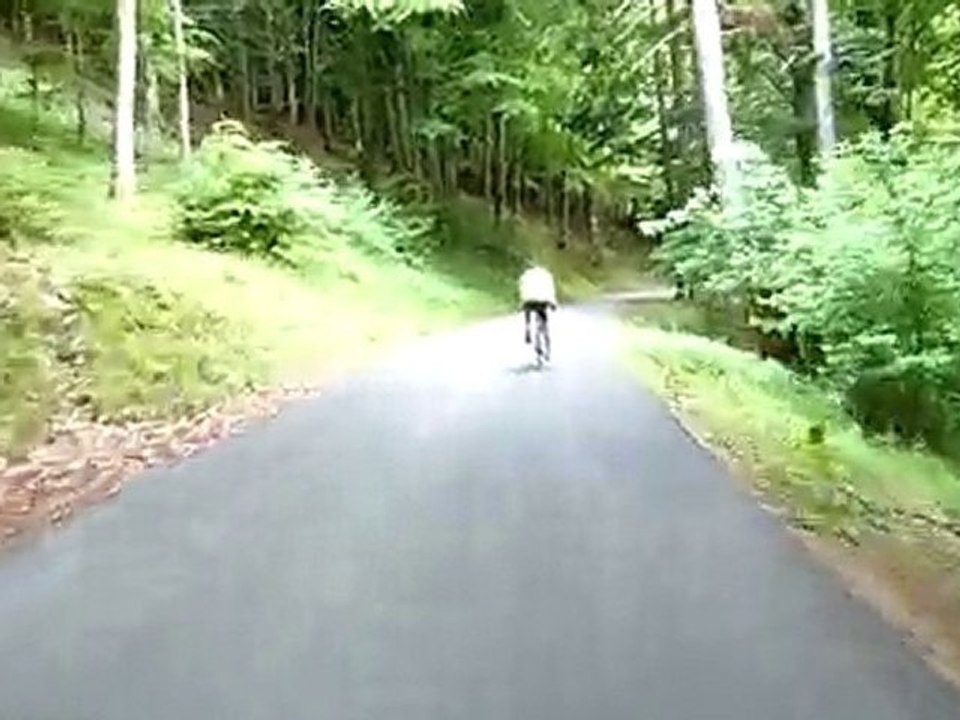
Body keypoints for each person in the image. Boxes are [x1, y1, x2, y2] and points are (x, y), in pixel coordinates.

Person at [518, 265, 557, 355]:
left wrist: (522, 303)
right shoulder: (545, 276)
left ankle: (527, 329)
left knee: (527, 311)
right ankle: (545, 342)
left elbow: (523, 289)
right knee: (544, 322)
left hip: (529, 301)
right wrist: (553, 304)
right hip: (542, 302)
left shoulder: (527, 276)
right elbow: (549, 291)